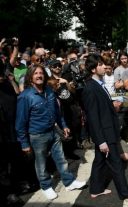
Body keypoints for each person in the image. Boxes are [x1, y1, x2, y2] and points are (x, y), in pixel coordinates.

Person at [15, 64, 86, 200]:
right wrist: (24, 143)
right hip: (37, 135)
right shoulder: (25, 96)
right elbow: (20, 123)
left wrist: (63, 125)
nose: (39, 75)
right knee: (41, 164)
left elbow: (57, 112)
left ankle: (69, 182)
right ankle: (46, 186)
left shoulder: (49, 91)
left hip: (53, 131)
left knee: (61, 159)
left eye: (41, 73)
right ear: (30, 77)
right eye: (35, 73)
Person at [81, 54, 128, 202]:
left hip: (107, 130)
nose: (104, 67)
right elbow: (93, 118)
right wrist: (101, 141)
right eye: (101, 65)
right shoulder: (90, 88)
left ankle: (96, 189)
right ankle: (126, 194)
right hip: (105, 134)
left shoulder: (98, 84)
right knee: (116, 164)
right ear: (93, 69)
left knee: (99, 161)